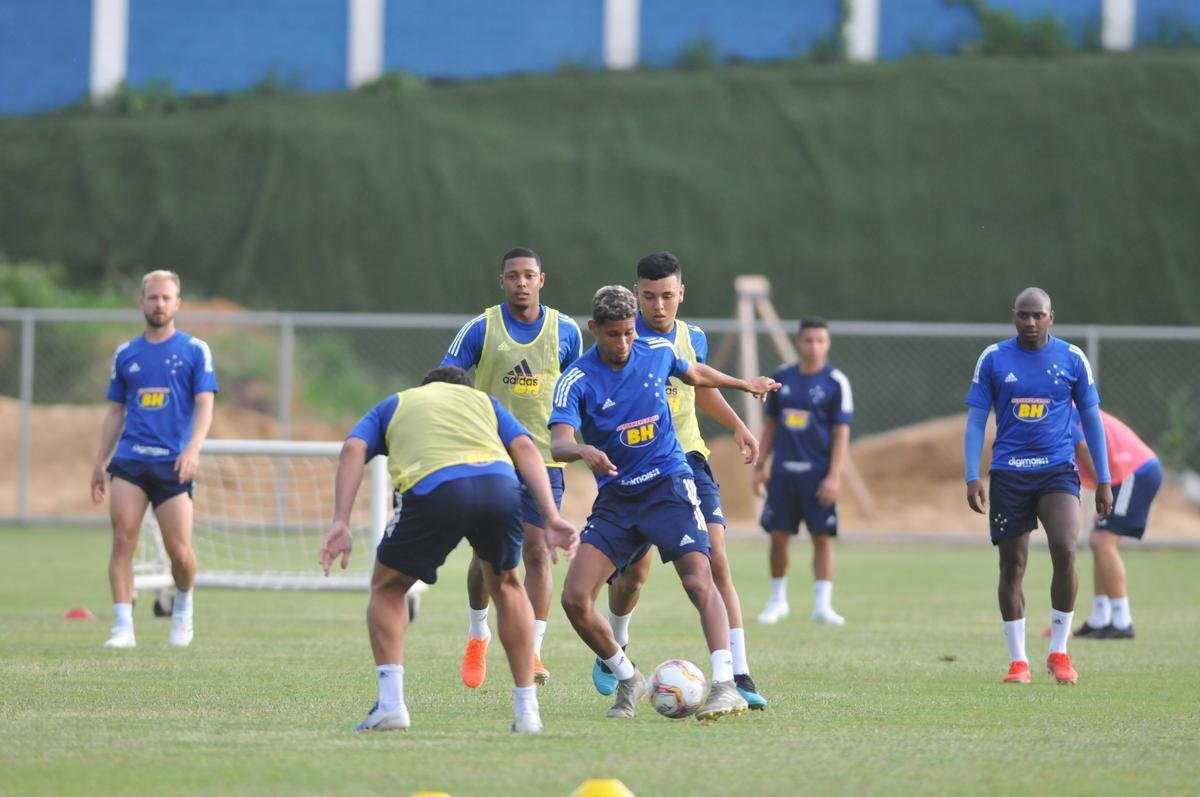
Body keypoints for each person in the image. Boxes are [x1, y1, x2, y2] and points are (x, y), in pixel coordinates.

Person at [550, 285, 779, 722]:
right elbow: (559, 443)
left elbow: (695, 374)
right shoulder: (576, 380)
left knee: (699, 578)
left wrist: (743, 383)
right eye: (613, 335)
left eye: (629, 333)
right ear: (594, 329)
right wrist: (582, 451)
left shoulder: (655, 349)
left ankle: (726, 684)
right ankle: (627, 675)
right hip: (617, 499)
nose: (623, 344)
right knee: (576, 598)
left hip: (668, 486)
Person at [319, 366, 579, 733]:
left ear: (426, 388)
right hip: (499, 486)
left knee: (388, 587)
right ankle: (527, 712)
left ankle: (391, 706)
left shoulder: (399, 402)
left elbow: (353, 447)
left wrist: (340, 521)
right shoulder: (484, 402)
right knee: (507, 586)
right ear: (465, 390)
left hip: (435, 488)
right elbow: (524, 447)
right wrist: (551, 515)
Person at [440, 247, 583, 688]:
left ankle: (534, 651)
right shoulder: (482, 328)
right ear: (501, 282)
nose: (521, 283)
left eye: (529, 275)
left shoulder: (567, 331)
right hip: (491, 458)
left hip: (545, 459)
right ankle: (478, 634)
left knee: (539, 552)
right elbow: (446, 378)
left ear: (543, 279)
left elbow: (582, 387)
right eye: (513, 276)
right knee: (488, 557)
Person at [964, 287, 1113, 685]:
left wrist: (1102, 478)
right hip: (1009, 473)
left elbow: (1092, 420)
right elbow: (977, 419)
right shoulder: (994, 358)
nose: (1031, 322)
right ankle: (1018, 662)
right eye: (1024, 315)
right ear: (1014, 316)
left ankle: (1059, 652)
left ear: (1052, 317)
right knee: (1012, 565)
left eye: (1038, 315)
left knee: (1066, 550)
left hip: (1057, 470)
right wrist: (971, 474)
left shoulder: (1072, 358)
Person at [90, 269, 218, 649]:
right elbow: (115, 411)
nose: (159, 304)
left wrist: (193, 448)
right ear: (142, 302)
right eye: (153, 297)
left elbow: (205, 404)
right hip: (130, 460)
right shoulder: (126, 353)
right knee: (122, 540)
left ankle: (183, 609)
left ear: (177, 304)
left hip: (172, 464)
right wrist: (100, 461)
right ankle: (122, 627)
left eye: (166, 298)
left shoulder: (195, 350)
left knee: (179, 552)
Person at [754, 316, 853, 627]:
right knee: (778, 537)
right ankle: (777, 600)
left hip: (818, 474)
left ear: (827, 343)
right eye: (808, 340)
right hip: (783, 473)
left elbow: (841, 432)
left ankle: (823, 605)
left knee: (822, 537)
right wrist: (760, 466)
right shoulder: (782, 378)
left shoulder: (836, 382)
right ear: (799, 342)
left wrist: (834, 476)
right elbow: (770, 425)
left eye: (820, 341)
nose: (814, 346)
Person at [1070, 407, 1162, 639]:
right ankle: (1100, 618)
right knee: (1098, 541)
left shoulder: (1061, 405)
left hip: (1132, 471)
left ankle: (1122, 621)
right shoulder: (1065, 403)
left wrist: (1104, 486)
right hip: (1128, 472)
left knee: (1102, 541)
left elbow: (1081, 447)